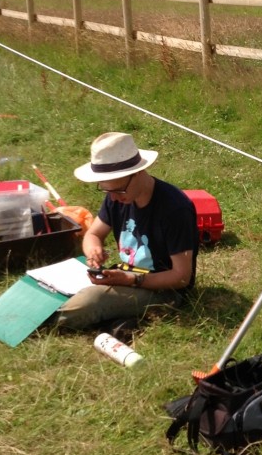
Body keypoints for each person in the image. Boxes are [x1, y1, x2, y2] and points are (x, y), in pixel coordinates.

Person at [55, 131, 200, 334]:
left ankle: (31, 322)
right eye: (106, 191)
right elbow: (93, 234)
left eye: (118, 190)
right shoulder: (117, 195)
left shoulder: (174, 209)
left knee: (93, 300)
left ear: (139, 172)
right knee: (58, 284)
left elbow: (181, 277)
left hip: (164, 291)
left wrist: (132, 280)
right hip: (126, 277)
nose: (113, 198)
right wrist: (93, 250)